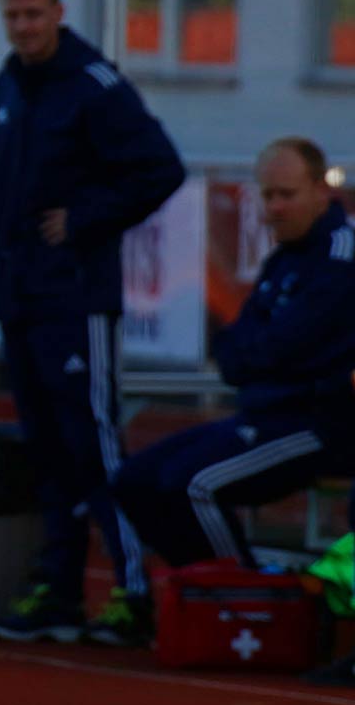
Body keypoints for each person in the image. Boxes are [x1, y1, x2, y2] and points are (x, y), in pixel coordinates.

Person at [0, 0, 185, 649]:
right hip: (19, 292)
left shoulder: (95, 87)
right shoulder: (8, 82)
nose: (24, 27)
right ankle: (59, 589)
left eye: (34, 14)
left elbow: (160, 167)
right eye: (13, 16)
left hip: (76, 297)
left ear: (58, 11)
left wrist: (84, 220)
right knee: (46, 451)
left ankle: (133, 591)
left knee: (92, 444)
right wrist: (5, 221)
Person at [112, 137, 355, 597]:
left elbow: (280, 347)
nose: (275, 207)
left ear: (322, 190)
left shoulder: (339, 259)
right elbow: (237, 350)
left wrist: (259, 358)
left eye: (288, 194)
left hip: (318, 425)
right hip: (265, 414)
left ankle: (243, 600)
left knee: (193, 484)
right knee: (135, 479)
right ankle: (209, 590)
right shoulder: (286, 258)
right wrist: (258, 358)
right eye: (268, 195)